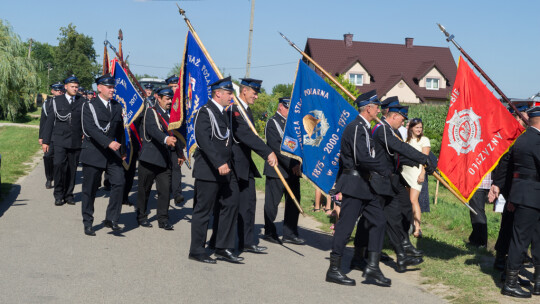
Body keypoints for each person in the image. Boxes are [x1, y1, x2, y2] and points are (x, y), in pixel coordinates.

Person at [359, 100, 434, 273]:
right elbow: (398, 147)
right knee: (370, 220)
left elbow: (397, 156)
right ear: (394, 116)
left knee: (396, 214)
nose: (404, 123)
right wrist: (422, 158)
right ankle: (362, 255)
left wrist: (425, 161)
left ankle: (401, 254)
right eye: (402, 119)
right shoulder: (382, 130)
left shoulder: (390, 131)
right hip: (378, 181)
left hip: (388, 181)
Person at [326, 90, 391, 287]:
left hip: (365, 185)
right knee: (345, 228)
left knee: (379, 221)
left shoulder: (365, 128)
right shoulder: (355, 128)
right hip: (355, 184)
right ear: (368, 108)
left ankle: (372, 267)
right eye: (376, 106)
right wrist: (383, 168)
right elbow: (360, 158)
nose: (379, 109)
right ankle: (334, 269)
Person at [189, 77, 242, 264]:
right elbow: (203, 140)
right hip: (209, 170)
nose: (231, 98)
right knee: (203, 210)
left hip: (226, 170)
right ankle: (196, 249)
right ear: (218, 93)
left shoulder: (224, 114)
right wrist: (219, 162)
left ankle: (222, 246)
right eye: (229, 94)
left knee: (231, 204)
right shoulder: (205, 112)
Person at [493, 106, 540, 298]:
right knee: (520, 240)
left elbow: (509, 167)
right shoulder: (535, 141)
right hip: (531, 194)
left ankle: (537, 281)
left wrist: (509, 194)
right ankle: (510, 283)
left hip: (525, 194)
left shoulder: (521, 138)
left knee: (537, 239)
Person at [229, 78, 277, 253]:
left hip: (245, 164)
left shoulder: (245, 110)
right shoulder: (235, 109)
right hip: (235, 164)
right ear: (244, 91)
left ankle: (247, 241)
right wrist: (268, 152)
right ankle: (221, 242)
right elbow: (244, 135)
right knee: (233, 205)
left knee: (249, 203)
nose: (256, 97)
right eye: (254, 93)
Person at [79, 74, 126, 236]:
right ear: (99, 88)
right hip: (94, 152)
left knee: (119, 182)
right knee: (90, 189)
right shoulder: (89, 106)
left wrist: (123, 151)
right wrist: (108, 142)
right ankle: (88, 222)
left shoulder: (117, 106)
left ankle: (111, 218)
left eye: (113, 87)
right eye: (109, 87)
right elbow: (90, 129)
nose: (113, 90)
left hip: (112, 154)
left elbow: (120, 131)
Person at [136, 88, 184, 231]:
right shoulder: (151, 112)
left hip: (165, 160)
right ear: (159, 98)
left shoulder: (173, 116)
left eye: (171, 99)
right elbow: (153, 130)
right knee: (144, 190)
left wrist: (180, 153)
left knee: (164, 191)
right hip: (150, 158)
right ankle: (141, 216)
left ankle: (163, 219)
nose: (170, 102)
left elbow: (177, 135)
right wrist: (165, 138)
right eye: (167, 99)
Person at [263, 97, 304, 245]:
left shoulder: (291, 124)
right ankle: (269, 231)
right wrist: (291, 164)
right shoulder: (273, 122)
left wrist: (298, 164)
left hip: (293, 170)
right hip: (278, 169)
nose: (289, 111)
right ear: (281, 106)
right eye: (287, 108)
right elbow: (276, 147)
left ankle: (290, 233)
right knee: (272, 203)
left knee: (293, 201)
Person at [41, 75, 85, 206]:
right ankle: (58, 194)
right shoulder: (56, 101)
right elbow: (49, 122)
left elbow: (85, 121)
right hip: (59, 140)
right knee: (59, 166)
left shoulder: (82, 101)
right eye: (72, 86)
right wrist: (45, 141)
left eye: (76, 87)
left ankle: (69, 194)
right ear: (65, 87)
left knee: (72, 168)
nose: (75, 89)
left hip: (76, 141)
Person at [401, 118, 431, 238]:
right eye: (417, 127)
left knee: (414, 200)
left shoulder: (424, 140)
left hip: (416, 174)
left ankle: (418, 228)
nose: (419, 129)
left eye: (420, 127)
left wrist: (422, 174)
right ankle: (409, 224)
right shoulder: (406, 140)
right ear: (411, 128)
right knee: (407, 201)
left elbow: (425, 160)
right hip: (405, 173)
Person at [39, 82, 64, 189]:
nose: (59, 91)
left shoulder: (66, 102)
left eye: (61, 90)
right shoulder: (47, 103)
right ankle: (49, 178)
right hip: (50, 134)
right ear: (52, 91)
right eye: (57, 90)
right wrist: (41, 137)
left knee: (61, 159)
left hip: (63, 135)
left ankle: (60, 178)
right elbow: (43, 121)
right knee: (48, 156)